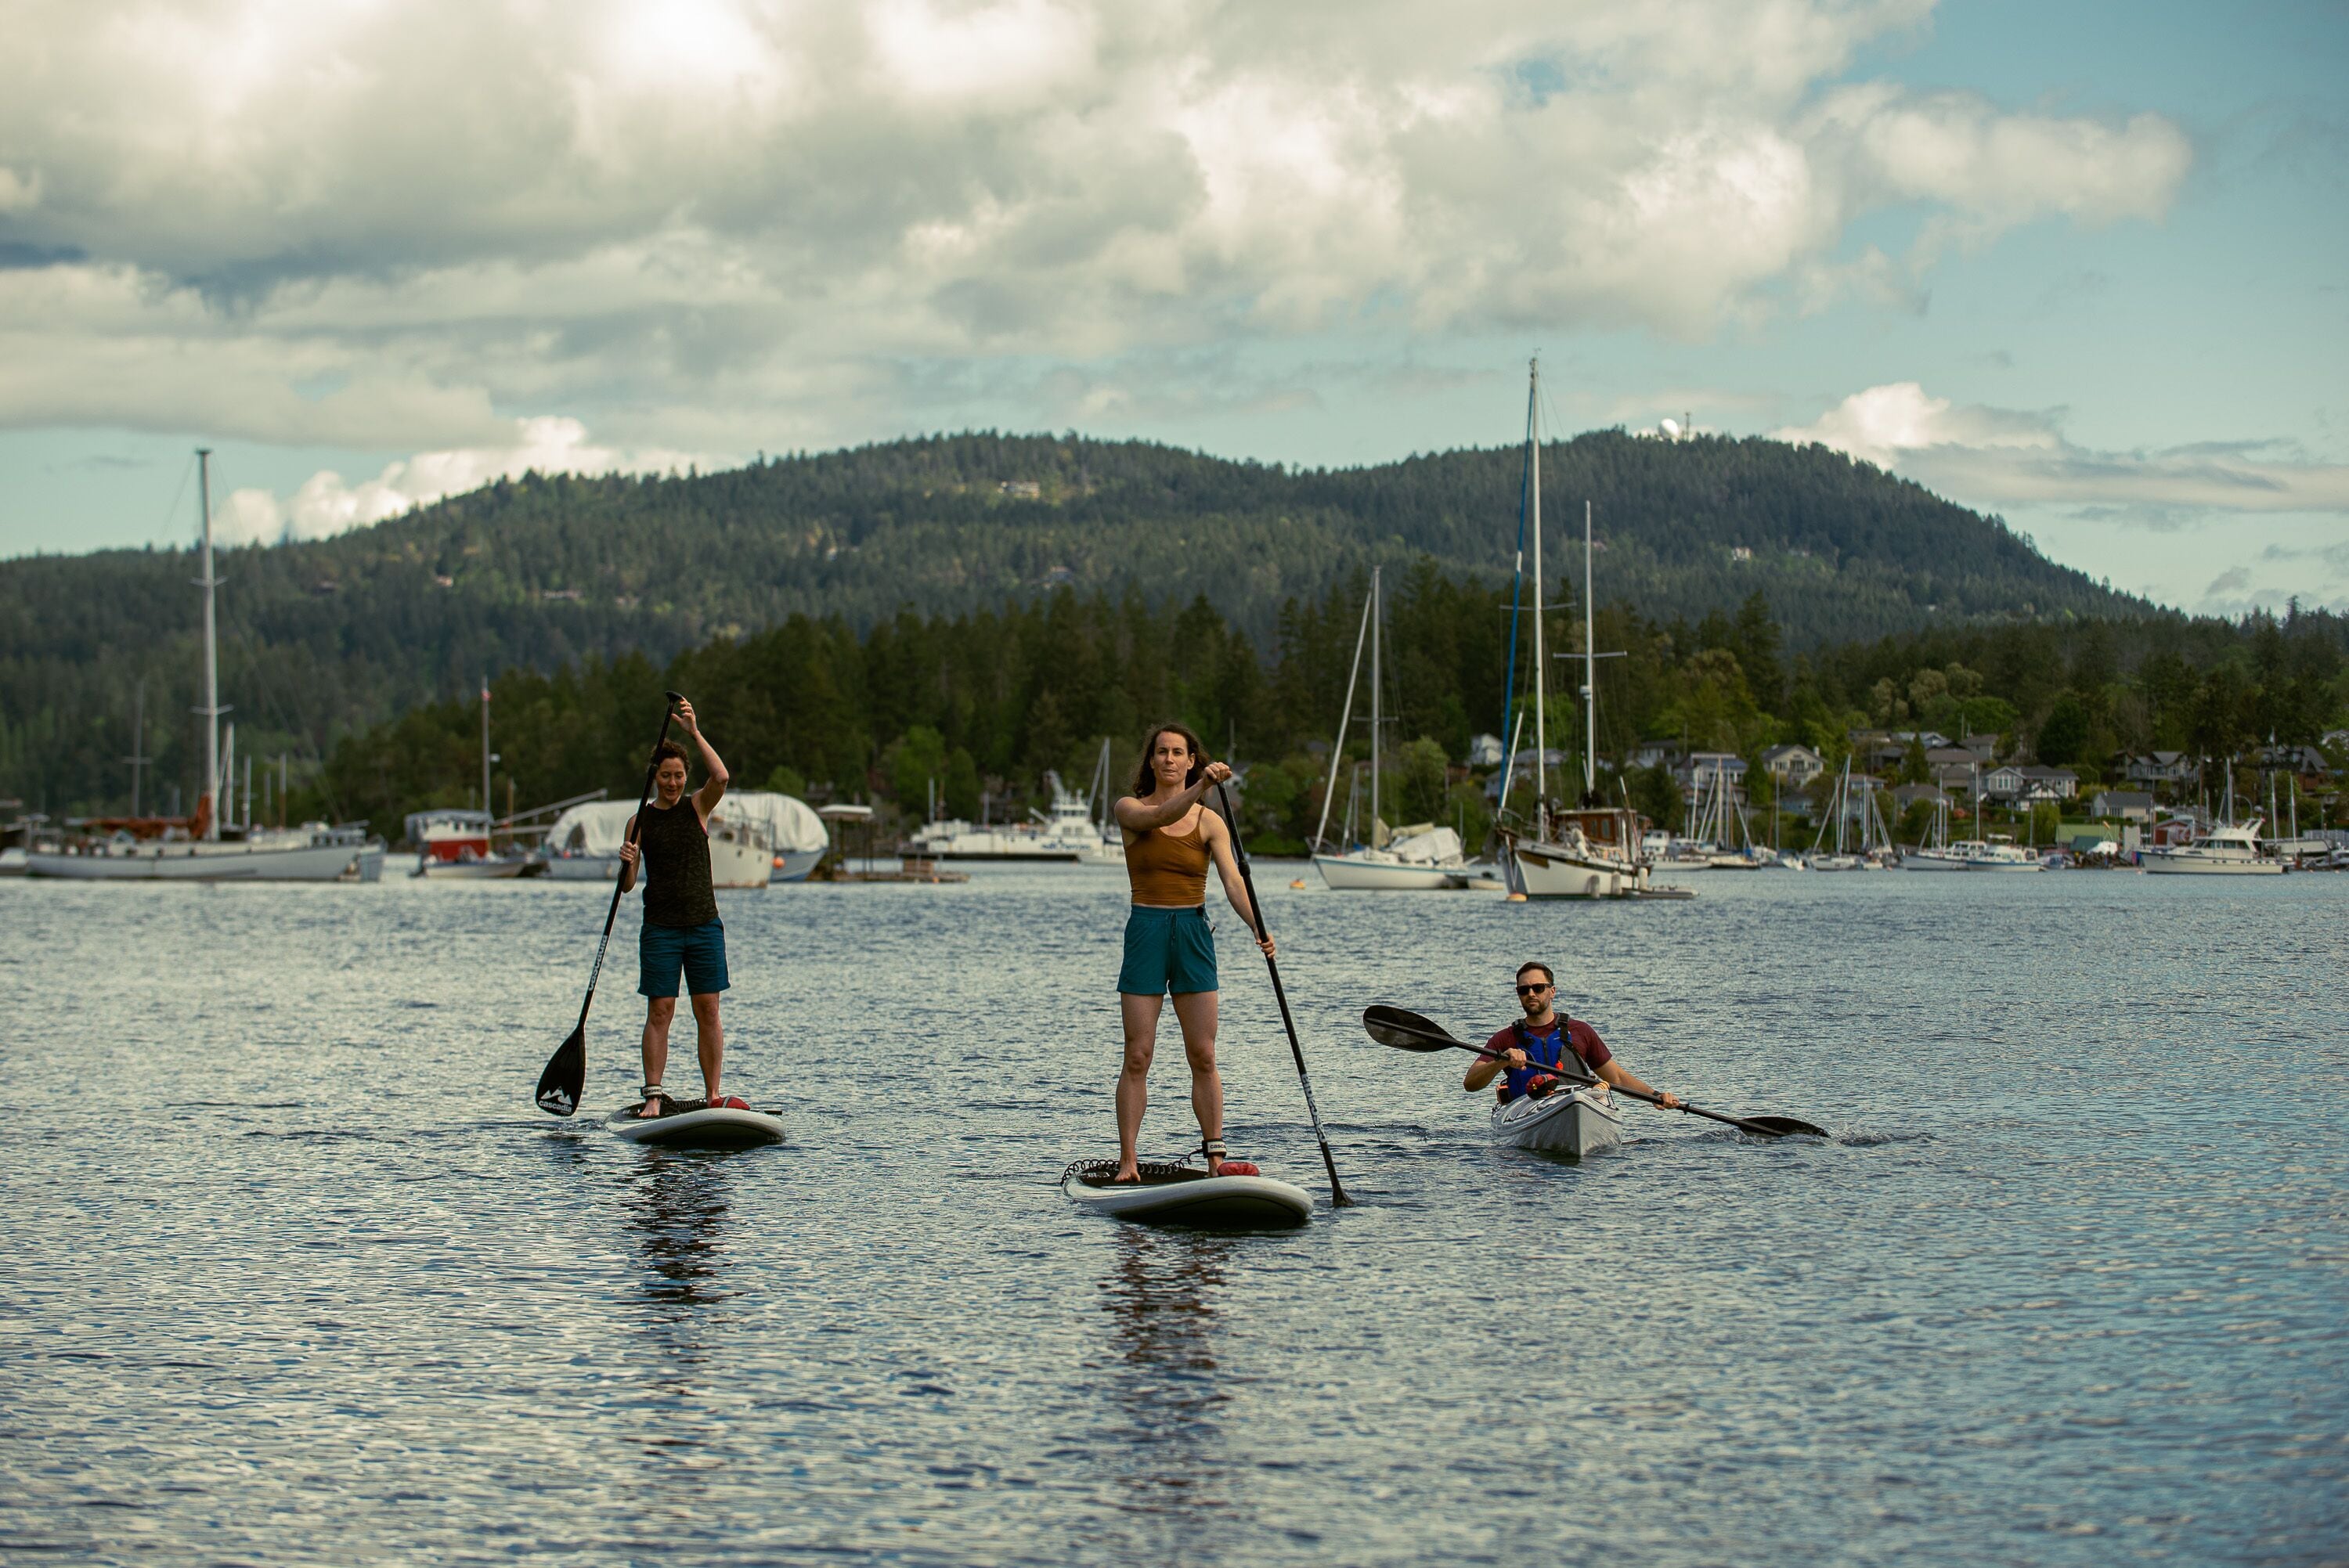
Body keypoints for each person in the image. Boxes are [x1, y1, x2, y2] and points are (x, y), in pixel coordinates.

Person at [1109, 722, 1276, 1181]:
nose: (1168, 759)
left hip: (1194, 932)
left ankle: (1216, 1159)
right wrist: (1204, 784)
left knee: (1203, 1054)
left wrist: (1258, 926)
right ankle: (1128, 1161)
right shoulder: (1129, 809)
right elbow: (1160, 820)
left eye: (1177, 752)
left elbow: (1233, 882)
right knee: (1138, 1054)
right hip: (1146, 930)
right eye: (1160, 752)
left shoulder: (1210, 821)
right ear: (1151, 761)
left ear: (1189, 760)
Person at [616, 696, 736, 1117]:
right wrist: (627, 863)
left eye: (679, 775)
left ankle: (713, 1095)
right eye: (666, 776)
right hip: (661, 929)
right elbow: (629, 888)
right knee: (661, 1011)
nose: (673, 783)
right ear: (655, 780)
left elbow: (720, 776)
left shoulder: (697, 806)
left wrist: (694, 732)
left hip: (704, 925)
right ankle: (653, 1095)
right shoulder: (640, 821)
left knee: (708, 1009)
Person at [1463, 961, 1683, 1110]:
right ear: (1518, 994)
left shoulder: (1581, 1031)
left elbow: (1616, 1078)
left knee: (1581, 1100)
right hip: (1526, 1111)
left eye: (1538, 988)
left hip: (1577, 1105)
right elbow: (1470, 1083)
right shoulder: (1504, 1039)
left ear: (1552, 991)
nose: (1531, 994)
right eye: (1524, 990)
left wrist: (1655, 1095)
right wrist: (1499, 1061)